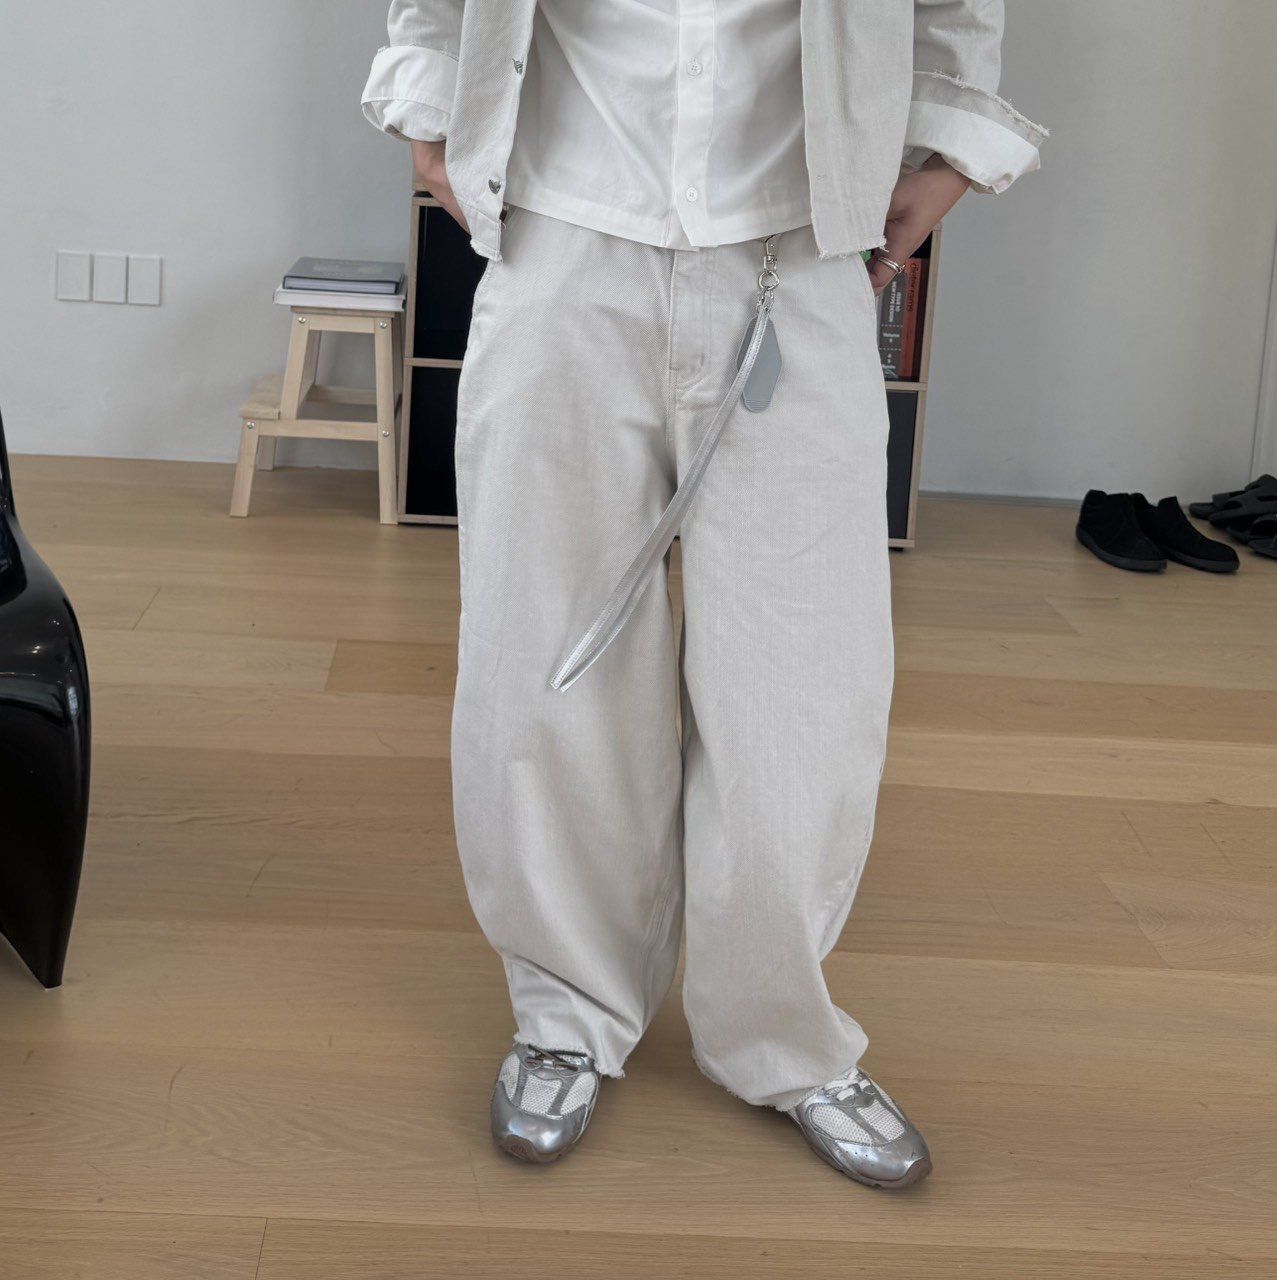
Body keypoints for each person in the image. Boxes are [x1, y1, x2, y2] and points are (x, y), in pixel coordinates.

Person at [363, 0, 1044, 1188]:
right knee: (543, 654)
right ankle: (566, 1012)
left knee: (803, 685)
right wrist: (426, 111)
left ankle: (781, 1033)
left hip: (799, 237)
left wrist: (946, 146)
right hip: (562, 223)